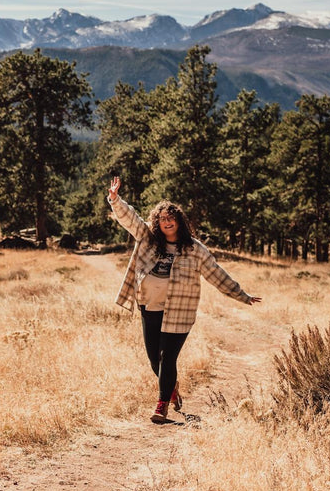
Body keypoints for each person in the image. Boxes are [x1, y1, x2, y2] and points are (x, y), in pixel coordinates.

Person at [107, 176, 262, 424]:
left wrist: (241, 295)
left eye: (171, 218)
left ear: (180, 221)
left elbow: (216, 274)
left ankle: (161, 406)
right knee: (153, 360)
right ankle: (171, 386)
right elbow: (130, 219)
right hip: (150, 307)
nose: (167, 222)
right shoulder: (147, 238)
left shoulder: (195, 249)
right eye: (162, 219)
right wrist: (115, 199)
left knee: (168, 358)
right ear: (157, 223)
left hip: (179, 312)